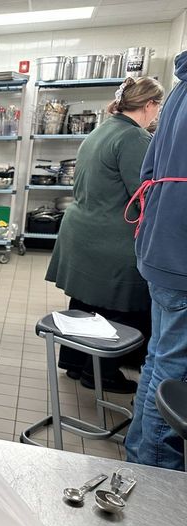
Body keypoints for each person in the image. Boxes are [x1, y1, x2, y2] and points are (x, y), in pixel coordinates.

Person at [45, 76, 163, 394]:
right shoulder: (134, 138)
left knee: (85, 301)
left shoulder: (102, 130)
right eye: (158, 107)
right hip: (111, 240)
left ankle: (74, 362)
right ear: (150, 105)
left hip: (82, 232)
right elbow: (144, 195)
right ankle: (101, 373)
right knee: (119, 305)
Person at [125, 51, 187, 470]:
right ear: (146, 105)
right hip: (178, 255)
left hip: (162, 248)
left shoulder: (180, 93)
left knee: (160, 360)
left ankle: (139, 454)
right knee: (172, 368)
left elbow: (147, 176)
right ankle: (156, 473)